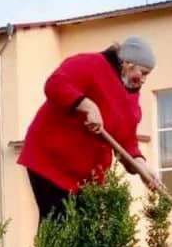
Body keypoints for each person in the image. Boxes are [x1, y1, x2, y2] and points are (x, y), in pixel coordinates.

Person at [18, 35, 162, 221]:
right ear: (127, 63)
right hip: (51, 161)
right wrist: (88, 106)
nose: (143, 80)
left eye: (147, 75)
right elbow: (55, 84)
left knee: (88, 234)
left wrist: (141, 166)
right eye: (142, 73)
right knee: (58, 224)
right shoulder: (90, 64)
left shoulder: (131, 95)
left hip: (87, 179)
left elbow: (126, 139)